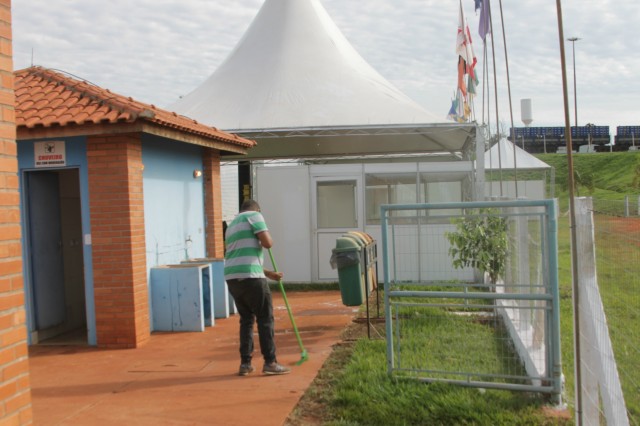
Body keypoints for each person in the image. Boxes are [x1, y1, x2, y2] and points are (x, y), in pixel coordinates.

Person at [224, 199, 291, 376]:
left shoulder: (232, 225)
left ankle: (245, 364)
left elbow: (242, 258)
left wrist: (269, 274)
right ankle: (270, 362)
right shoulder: (255, 216)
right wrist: (265, 237)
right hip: (252, 278)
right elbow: (268, 243)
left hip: (233, 278)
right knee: (265, 318)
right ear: (258, 209)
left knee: (246, 320)